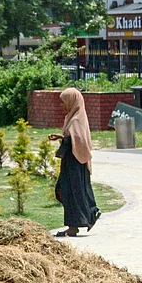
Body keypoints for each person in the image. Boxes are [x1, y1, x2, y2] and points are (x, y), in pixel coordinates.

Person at [48, 88, 101, 237]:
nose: (61, 105)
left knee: (73, 192)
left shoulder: (77, 119)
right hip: (71, 162)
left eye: (63, 101)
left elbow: (79, 141)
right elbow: (73, 138)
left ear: (72, 101)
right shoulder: (72, 117)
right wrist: (61, 136)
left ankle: (77, 224)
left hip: (76, 163)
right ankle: (86, 217)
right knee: (68, 192)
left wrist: (64, 139)